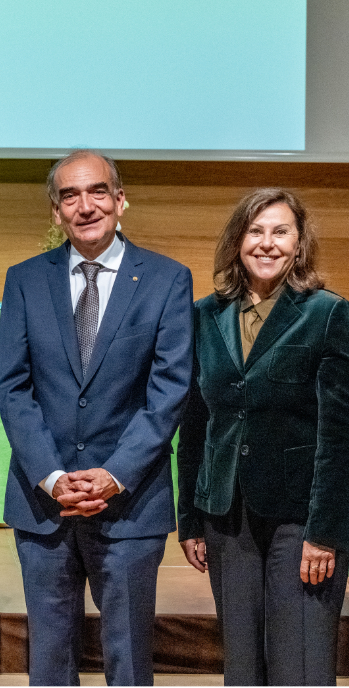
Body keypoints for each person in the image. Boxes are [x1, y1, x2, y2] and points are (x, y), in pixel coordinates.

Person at [0, 150, 193, 686]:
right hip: (43, 505)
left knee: (129, 660)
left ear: (120, 199)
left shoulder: (167, 280)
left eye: (98, 191)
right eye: (70, 196)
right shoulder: (24, 280)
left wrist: (113, 474)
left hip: (130, 505)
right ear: (55, 212)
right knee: (50, 660)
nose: (86, 206)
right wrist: (55, 478)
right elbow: (12, 388)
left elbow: (169, 391)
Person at [176, 188, 349, 685]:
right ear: (237, 242)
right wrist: (189, 520)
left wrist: (326, 533)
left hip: (301, 519)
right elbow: (195, 425)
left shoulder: (327, 314)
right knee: (243, 665)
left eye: (280, 232)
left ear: (299, 243)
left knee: (301, 664)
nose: (267, 243)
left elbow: (339, 437)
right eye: (255, 231)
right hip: (226, 515)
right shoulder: (204, 315)